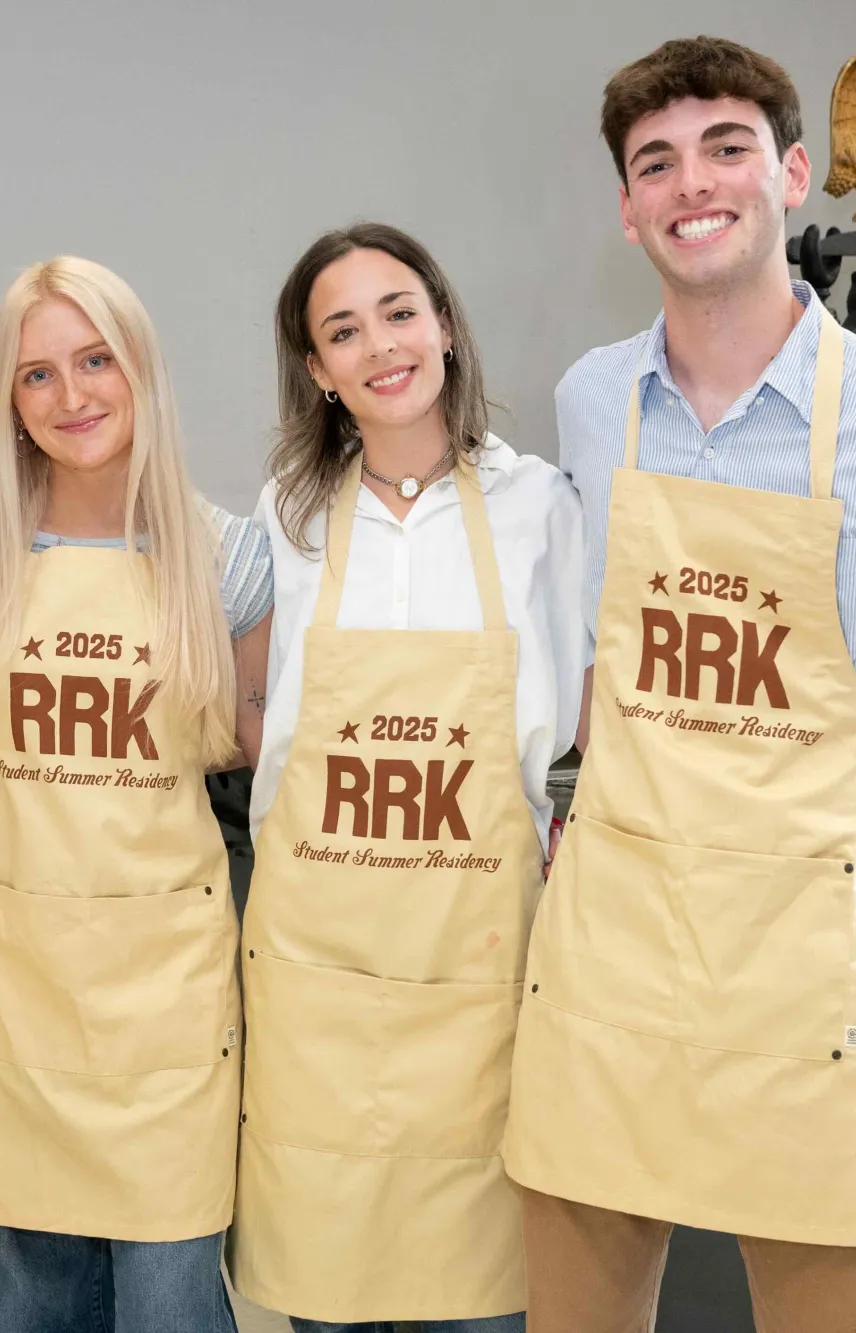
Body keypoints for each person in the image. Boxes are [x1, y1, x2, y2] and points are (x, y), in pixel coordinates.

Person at [502, 38, 856, 1332]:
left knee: (823, 1299)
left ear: (793, 170)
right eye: (656, 163)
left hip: (803, 956)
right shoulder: (590, 402)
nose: (694, 184)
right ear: (627, 206)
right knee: (575, 1296)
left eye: (727, 147)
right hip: (613, 937)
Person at [228, 223, 586, 1332]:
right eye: (342, 330)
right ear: (317, 372)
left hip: (478, 954)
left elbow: (574, 710)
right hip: (315, 964)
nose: (378, 345)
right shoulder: (283, 517)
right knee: (323, 1281)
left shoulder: (538, 505)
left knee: (479, 1289)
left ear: (440, 323)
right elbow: (254, 714)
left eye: (396, 311)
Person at [0, 255, 272, 1333]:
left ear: (140, 368)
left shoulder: (227, 559)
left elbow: (275, 754)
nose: (72, 399)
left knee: (170, 1305)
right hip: (16, 989)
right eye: (37, 375)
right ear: (8, 401)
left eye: (95, 360)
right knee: (36, 1305)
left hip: (166, 996)